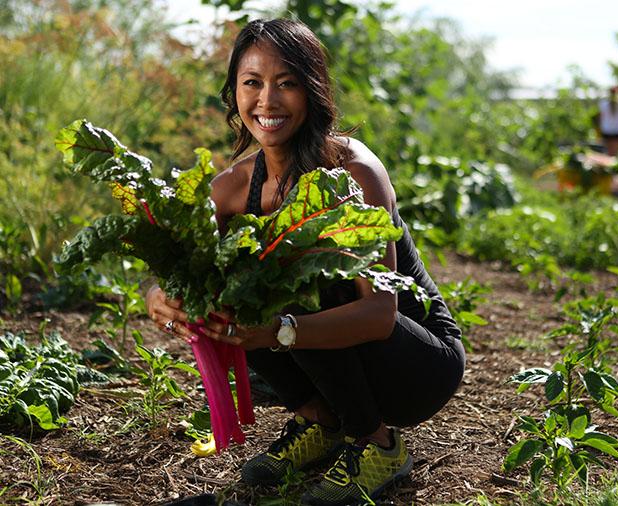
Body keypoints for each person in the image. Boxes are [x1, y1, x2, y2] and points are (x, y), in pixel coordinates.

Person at [146, 18, 465, 506]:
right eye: (252, 83)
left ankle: (377, 443)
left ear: (312, 91)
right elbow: (177, 259)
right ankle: (320, 420)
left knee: (301, 280)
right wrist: (162, 295)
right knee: (231, 285)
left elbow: (380, 314)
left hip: (417, 364)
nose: (267, 101)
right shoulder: (234, 186)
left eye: (286, 83)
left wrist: (276, 331)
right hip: (339, 353)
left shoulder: (351, 173)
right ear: (234, 93)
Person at [594, 85, 618, 156]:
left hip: (607, 130)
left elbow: (599, 118)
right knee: (614, 152)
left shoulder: (603, 104)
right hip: (616, 131)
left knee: (608, 152)